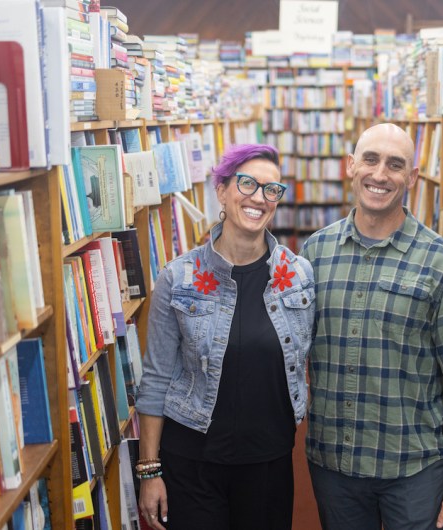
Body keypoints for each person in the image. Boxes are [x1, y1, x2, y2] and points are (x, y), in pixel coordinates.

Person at [301, 123, 443, 530]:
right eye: (370, 159)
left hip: (413, 471)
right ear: (351, 165)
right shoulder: (314, 254)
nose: (380, 174)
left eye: (395, 164)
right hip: (334, 464)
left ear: (412, 177)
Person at [136, 143, 315, 530]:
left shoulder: (298, 277)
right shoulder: (179, 278)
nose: (259, 198)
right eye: (247, 184)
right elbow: (155, 379)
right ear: (221, 190)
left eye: (271, 189)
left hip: (268, 461)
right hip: (192, 463)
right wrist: (150, 471)